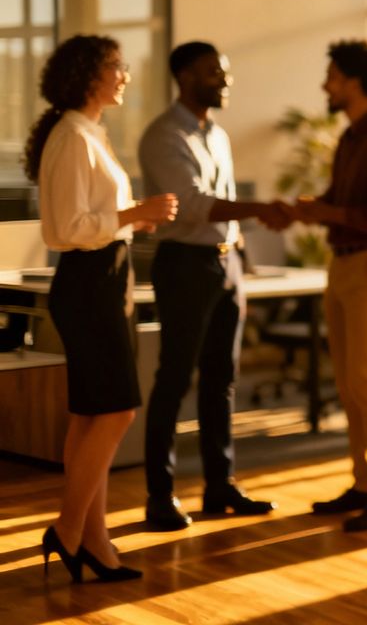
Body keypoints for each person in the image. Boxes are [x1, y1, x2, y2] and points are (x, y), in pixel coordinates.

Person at [28, 35, 178, 583]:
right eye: (117, 66)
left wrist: (138, 217)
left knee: (91, 412)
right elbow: (67, 230)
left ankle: (95, 541)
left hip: (106, 279)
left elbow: (93, 219)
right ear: (91, 74)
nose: (125, 75)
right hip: (90, 284)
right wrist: (136, 210)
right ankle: (68, 531)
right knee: (116, 410)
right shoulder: (71, 136)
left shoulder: (88, 133)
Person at [138, 41, 291, 531]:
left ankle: (218, 486)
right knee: (175, 380)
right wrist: (261, 208)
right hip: (185, 264)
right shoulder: (163, 135)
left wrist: (241, 250)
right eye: (213, 73)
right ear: (184, 76)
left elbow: (220, 204)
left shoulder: (217, 135)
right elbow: (193, 203)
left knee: (222, 381)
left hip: (225, 267)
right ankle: (159, 497)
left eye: (224, 73)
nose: (225, 82)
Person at [293, 40, 367, 531]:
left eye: (333, 76)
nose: (326, 85)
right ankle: (364, 484)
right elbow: (345, 201)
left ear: (355, 81)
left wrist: (327, 212)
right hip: (343, 264)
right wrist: (313, 207)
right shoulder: (349, 137)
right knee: (348, 383)